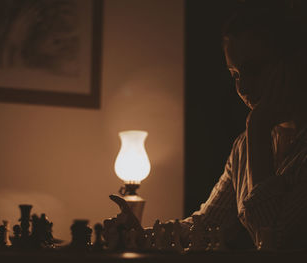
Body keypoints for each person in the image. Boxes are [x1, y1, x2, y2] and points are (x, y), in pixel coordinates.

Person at [105, 7, 307, 250]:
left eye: (254, 69)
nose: (242, 88)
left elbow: (274, 240)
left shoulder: (256, 136)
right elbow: (206, 224)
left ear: (295, 63)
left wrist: (259, 128)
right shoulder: (244, 147)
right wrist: (142, 235)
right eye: (235, 75)